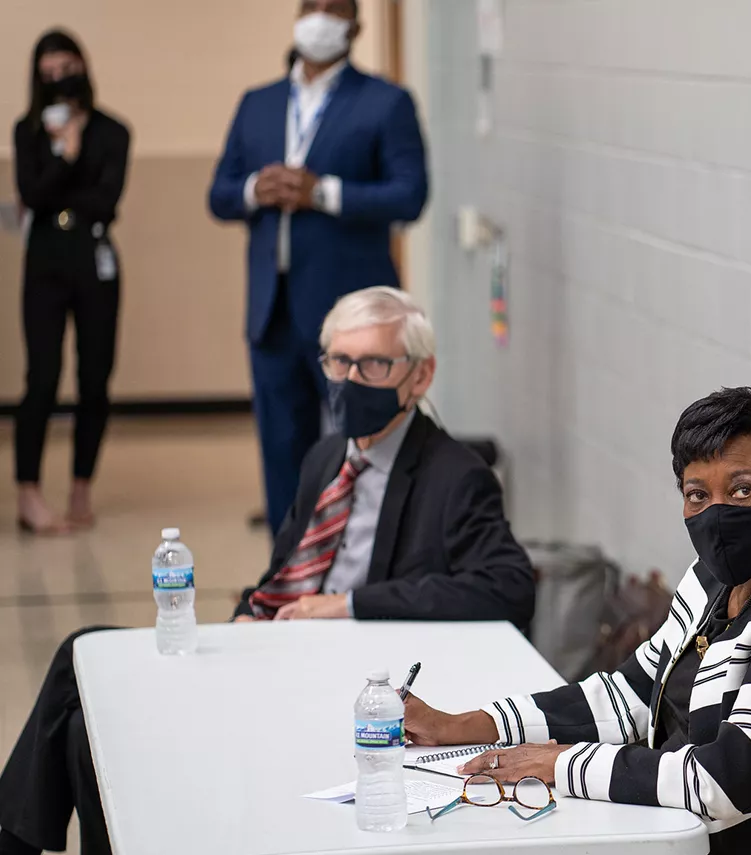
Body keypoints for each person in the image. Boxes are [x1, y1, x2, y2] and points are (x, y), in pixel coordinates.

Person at [0, 287, 534, 855]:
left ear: (419, 376)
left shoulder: (457, 474)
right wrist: (246, 617)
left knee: (86, 685)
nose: (350, 380)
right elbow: (284, 574)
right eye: (338, 361)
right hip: (278, 649)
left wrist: (348, 604)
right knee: (85, 701)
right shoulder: (325, 458)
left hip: (345, 679)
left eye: (373, 364)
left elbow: (508, 587)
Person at [405, 388, 751, 855]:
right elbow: (631, 694)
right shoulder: (716, 577)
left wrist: (559, 764)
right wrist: (468, 725)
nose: (716, 515)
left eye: (742, 491)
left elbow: (727, 783)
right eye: (697, 494)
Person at [208, 0, 429, 534]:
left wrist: (324, 193)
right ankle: (288, 578)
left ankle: (366, 572)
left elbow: (410, 196)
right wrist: (254, 189)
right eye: (311, 5)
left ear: (356, 27)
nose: (320, 17)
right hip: (273, 313)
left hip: (351, 318)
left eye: (334, 8)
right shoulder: (257, 104)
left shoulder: (385, 102)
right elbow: (219, 194)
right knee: (282, 456)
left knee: (366, 450)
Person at [11, 30, 130, 535]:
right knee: (41, 377)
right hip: (44, 262)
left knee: (95, 377)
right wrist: (64, 156)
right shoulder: (29, 131)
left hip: (95, 259)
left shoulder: (113, 131)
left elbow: (107, 202)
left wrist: (68, 173)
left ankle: (82, 486)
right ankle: (29, 494)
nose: (61, 79)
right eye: (50, 72)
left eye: (68, 67)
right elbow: (31, 195)